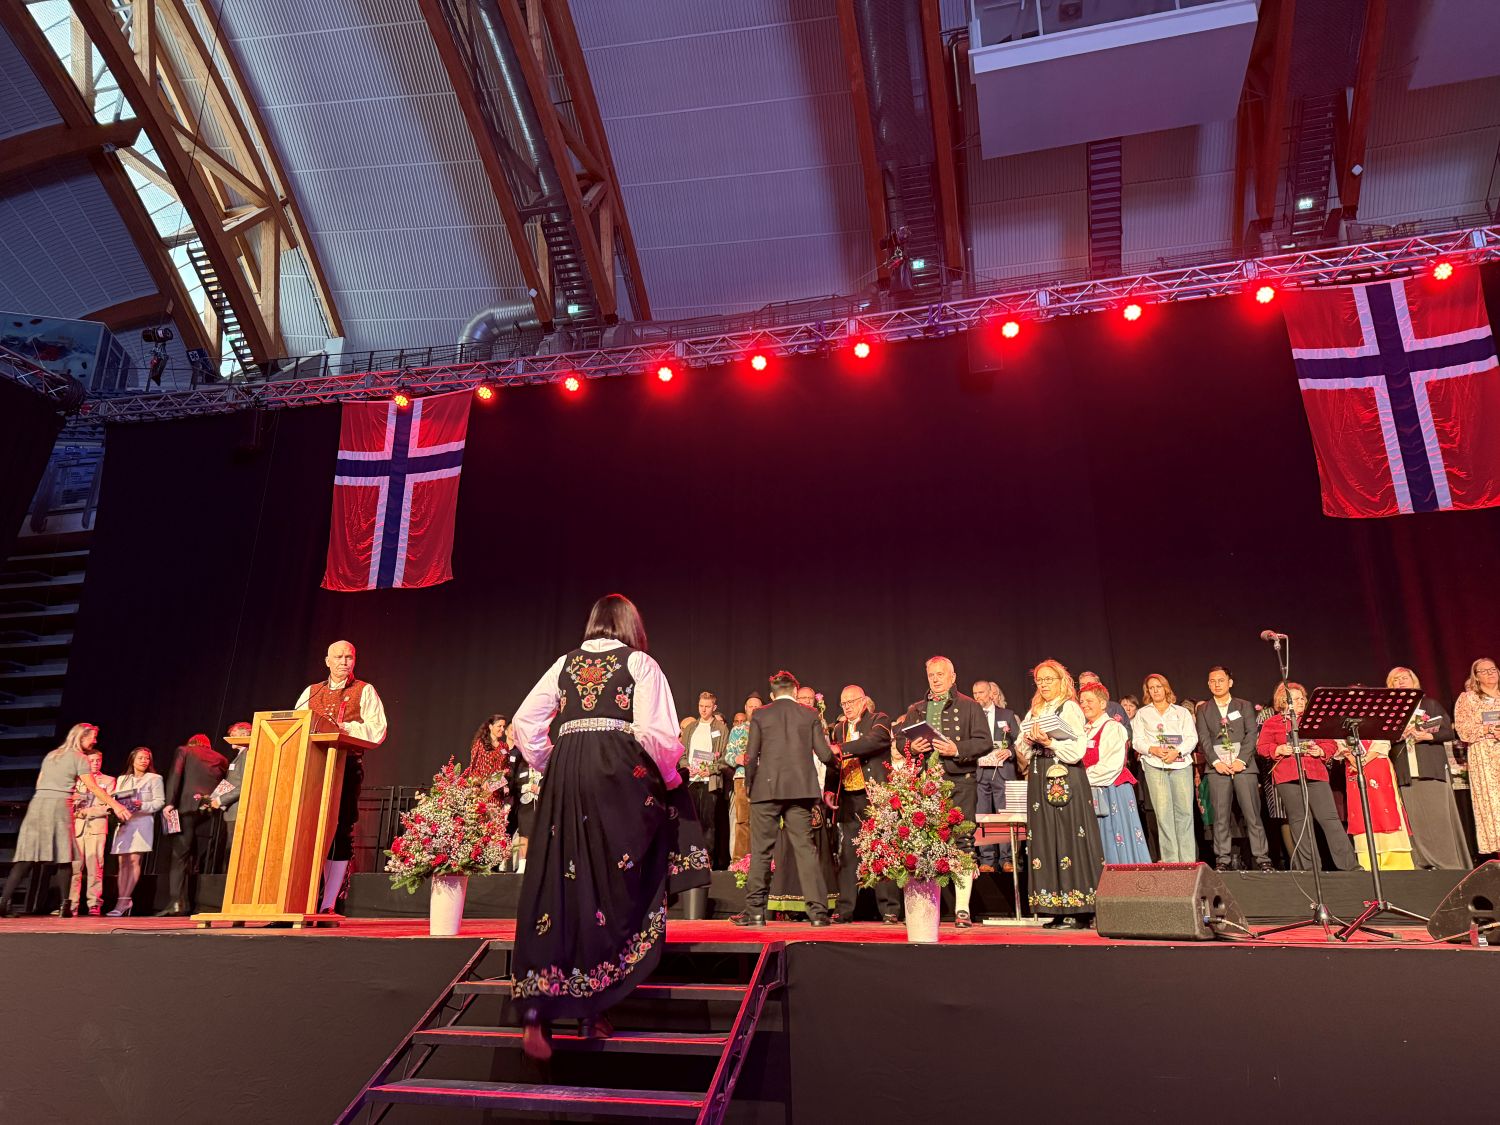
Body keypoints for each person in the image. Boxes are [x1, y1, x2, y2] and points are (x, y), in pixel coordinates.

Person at [509, 594, 708, 1060]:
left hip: (568, 769)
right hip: (616, 767)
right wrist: (673, 779)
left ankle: (539, 1009)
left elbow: (524, 721)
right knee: (611, 881)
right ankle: (591, 1008)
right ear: (631, 626)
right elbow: (659, 735)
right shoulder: (640, 664)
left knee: (557, 878)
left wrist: (549, 762)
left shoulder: (564, 663)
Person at [734, 670, 837, 928]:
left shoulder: (760, 715)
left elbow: (750, 756)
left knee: (761, 851)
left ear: (772, 694)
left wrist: (750, 784)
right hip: (801, 792)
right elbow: (825, 755)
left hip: (766, 791)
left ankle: (755, 912)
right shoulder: (810, 715)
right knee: (805, 850)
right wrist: (836, 761)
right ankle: (818, 914)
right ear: (794, 691)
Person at [893, 657, 989, 926]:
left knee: (961, 841)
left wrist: (956, 749)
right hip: (927, 782)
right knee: (923, 842)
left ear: (952, 676)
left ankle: (962, 909)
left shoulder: (970, 706)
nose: (935, 679)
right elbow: (901, 739)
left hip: (960, 781)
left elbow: (985, 742)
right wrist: (911, 748)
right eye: (931, 675)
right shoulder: (917, 708)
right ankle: (924, 906)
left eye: (940, 675)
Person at [294, 639, 389, 912]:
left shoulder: (365, 690)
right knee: (307, 828)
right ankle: (301, 896)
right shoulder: (312, 692)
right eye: (338, 657)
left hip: (346, 766)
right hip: (312, 768)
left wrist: (342, 727)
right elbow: (295, 724)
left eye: (349, 657)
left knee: (340, 828)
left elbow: (377, 729)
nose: (343, 662)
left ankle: (329, 902)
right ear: (327, 661)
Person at [2, 724, 130, 918]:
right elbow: (94, 788)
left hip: (38, 805)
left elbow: (39, 784)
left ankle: (2, 902)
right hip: (60, 806)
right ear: (81, 737)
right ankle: (65, 905)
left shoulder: (52, 755)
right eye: (92, 737)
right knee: (65, 857)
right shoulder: (80, 758)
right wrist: (117, 806)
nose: (94, 741)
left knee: (26, 856)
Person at [1015, 660, 1101, 929]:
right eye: (1040, 680)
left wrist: (1049, 741)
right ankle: (1056, 906)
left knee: (1069, 836)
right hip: (1040, 776)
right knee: (1046, 838)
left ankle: (1080, 909)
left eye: (1049, 679)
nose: (1044, 685)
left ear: (1062, 680)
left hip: (1065, 777)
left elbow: (1077, 750)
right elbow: (1021, 746)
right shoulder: (1036, 709)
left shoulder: (1070, 708)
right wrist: (1030, 740)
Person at [1255, 682, 1358, 872]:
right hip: (1287, 775)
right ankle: (1310, 869)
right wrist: (1277, 749)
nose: (1301, 701)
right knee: (1299, 822)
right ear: (1283, 702)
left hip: (1315, 773)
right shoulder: (1272, 722)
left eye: (1302, 698)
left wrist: (1321, 750)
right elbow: (1261, 747)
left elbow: (1330, 744)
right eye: (1295, 699)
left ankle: (1349, 866)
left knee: (1329, 819)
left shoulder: (1314, 720)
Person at [826, 686, 900, 924]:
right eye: (843, 703)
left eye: (851, 702)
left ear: (864, 701)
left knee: (882, 849)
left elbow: (873, 742)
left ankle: (889, 909)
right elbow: (833, 763)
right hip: (849, 797)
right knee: (848, 854)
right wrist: (830, 790)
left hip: (874, 795)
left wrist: (841, 749)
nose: (847, 706)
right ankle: (845, 909)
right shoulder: (839, 728)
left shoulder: (879, 720)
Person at [1385, 667, 1469, 870]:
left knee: (1439, 819)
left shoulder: (1429, 704)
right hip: (1406, 772)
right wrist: (1399, 735)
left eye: (1405, 678)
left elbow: (1448, 731)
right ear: (1391, 685)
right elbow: (1382, 738)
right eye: (1396, 679)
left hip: (1431, 769)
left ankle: (1449, 864)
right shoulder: (1391, 710)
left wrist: (1428, 736)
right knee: (1416, 821)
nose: (1401, 682)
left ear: (1414, 681)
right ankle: (1423, 863)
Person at [1195, 667, 1273, 872]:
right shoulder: (1203, 709)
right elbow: (1203, 739)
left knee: (1252, 814)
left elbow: (1251, 734)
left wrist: (1241, 760)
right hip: (1217, 769)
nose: (1217, 684)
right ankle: (1222, 858)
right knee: (1220, 816)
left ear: (1230, 682)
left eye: (1221, 680)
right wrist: (1216, 762)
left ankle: (1262, 858)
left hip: (1243, 766)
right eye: (1212, 681)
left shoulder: (1244, 705)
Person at [1079, 681, 1150, 864]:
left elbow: (1111, 766)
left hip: (1112, 791)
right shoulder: (1085, 730)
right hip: (1092, 789)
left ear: (1102, 704)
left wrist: (1080, 778)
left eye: (1089, 700)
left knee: (1115, 833)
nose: (1084, 705)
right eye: (1082, 701)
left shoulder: (1113, 727)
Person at [1131, 673, 1199, 862]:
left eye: (1158, 687)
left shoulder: (1181, 712)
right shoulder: (1143, 714)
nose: (1155, 691)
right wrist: (1151, 748)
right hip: (1155, 766)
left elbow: (1192, 738)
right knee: (1163, 814)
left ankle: (1187, 861)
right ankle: (1171, 861)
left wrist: (1177, 751)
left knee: (1184, 813)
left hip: (1180, 764)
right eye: (1151, 688)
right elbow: (1137, 741)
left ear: (1165, 688)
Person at [158, 733, 228, 916]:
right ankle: (203, 903)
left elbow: (176, 775)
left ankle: (177, 903)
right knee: (199, 857)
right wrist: (213, 801)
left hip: (186, 808)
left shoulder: (184, 751)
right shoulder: (221, 758)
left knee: (180, 855)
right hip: (210, 811)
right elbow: (226, 784)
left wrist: (170, 803)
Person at [1336, 734, 1415, 871]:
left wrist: (1364, 761)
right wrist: (1351, 758)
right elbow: (1338, 740)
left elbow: (1382, 740)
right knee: (1361, 812)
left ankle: (1395, 862)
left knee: (1385, 810)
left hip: (1377, 763)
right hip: (1353, 767)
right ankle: (1368, 862)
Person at [107, 747, 164, 917]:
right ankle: (122, 898)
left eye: (147, 758)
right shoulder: (123, 779)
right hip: (125, 823)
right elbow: (115, 799)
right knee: (122, 862)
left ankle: (123, 900)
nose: (144, 761)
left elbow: (159, 802)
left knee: (133, 860)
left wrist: (142, 805)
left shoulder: (154, 778)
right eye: (140, 758)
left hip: (142, 822)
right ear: (132, 760)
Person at [1452, 657, 1500, 859]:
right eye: (1484, 671)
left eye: (1493, 669)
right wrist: (1489, 729)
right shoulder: (1468, 698)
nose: (1490, 673)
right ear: (1476, 677)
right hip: (1485, 755)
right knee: (1494, 803)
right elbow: (1463, 730)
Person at [972, 681, 1021, 874]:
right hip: (980, 772)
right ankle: (986, 859)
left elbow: (1019, 741)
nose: (978, 697)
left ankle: (1006, 859)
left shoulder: (1006, 715)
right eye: (974, 693)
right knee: (982, 815)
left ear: (991, 693)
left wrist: (1009, 752)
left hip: (1003, 771)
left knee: (1004, 815)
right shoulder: (973, 716)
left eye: (981, 692)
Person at [681, 692, 730, 869]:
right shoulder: (690, 728)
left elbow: (725, 757)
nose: (703, 709)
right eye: (701, 705)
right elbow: (682, 754)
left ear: (714, 707)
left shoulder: (721, 729)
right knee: (691, 822)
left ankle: (706, 862)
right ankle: (690, 861)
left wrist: (709, 770)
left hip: (709, 782)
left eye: (707, 706)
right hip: (692, 781)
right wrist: (687, 766)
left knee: (709, 824)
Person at [68, 748, 115, 916]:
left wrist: (86, 812)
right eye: (92, 761)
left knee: (95, 867)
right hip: (78, 827)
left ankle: (94, 903)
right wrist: (75, 806)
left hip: (96, 827)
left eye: (98, 761)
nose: (95, 763)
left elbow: (108, 806)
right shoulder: (76, 780)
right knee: (75, 868)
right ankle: (71, 904)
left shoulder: (108, 781)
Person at [723, 694, 762, 863]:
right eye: (750, 706)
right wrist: (736, 759)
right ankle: (739, 861)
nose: (754, 709)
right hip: (741, 778)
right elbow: (728, 755)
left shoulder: (768, 729)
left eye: (757, 706)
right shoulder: (737, 730)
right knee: (742, 820)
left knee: (761, 821)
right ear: (745, 709)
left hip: (763, 778)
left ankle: (762, 860)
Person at [209, 722, 254, 851]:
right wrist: (214, 797)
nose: (230, 738)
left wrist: (220, 800)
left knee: (233, 849)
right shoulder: (239, 756)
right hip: (232, 811)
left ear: (245, 734)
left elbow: (244, 784)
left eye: (233, 734)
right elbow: (232, 781)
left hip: (238, 810)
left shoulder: (247, 754)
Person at [506, 725, 539, 873]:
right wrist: (525, 788)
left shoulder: (544, 766)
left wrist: (538, 789)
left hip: (540, 803)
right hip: (524, 803)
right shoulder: (522, 765)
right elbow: (515, 782)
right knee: (524, 832)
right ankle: (522, 864)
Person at [469, 714, 508, 779]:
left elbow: (507, 766)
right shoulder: (480, 743)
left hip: (498, 786)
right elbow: (474, 766)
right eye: (499, 726)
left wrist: (505, 772)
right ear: (490, 727)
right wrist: (481, 783)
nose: (502, 729)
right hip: (482, 786)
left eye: (503, 726)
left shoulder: (504, 746)